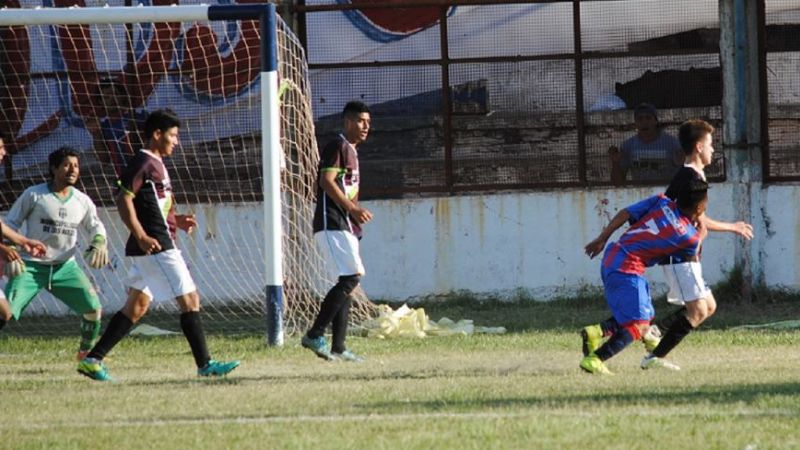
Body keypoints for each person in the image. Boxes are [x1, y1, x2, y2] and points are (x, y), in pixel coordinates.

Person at [77, 109, 239, 382]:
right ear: (157, 134)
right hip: (157, 245)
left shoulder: (157, 164)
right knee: (190, 300)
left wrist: (177, 219)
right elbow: (123, 198)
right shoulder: (143, 162)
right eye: (173, 135)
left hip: (155, 242)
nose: (176, 141)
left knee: (137, 306)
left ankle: (93, 360)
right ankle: (205, 365)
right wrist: (140, 234)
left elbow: (152, 205)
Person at [642, 119, 753, 366]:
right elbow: (701, 222)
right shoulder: (693, 181)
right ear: (698, 147)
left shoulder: (690, 176)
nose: (714, 149)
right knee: (699, 310)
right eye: (711, 144)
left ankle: (655, 331)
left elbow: (691, 219)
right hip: (679, 254)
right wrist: (732, 227)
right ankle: (654, 358)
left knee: (709, 306)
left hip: (682, 253)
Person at [580, 180, 709, 374]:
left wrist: (602, 238)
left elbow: (625, 214)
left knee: (646, 316)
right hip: (627, 267)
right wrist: (701, 237)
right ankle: (596, 359)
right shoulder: (689, 237)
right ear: (700, 207)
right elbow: (691, 260)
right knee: (639, 325)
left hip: (613, 256)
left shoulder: (661, 201)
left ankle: (597, 332)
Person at [3, 147, 108, 360]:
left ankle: (85, 354)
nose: (73, 170)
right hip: (31, 266)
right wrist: (11, 249)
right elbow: (11, 223)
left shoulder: (82, 200)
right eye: (67, 165)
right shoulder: (34, 194)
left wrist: (99, 243)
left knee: (93, 309)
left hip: (64, 267)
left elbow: (96, 227)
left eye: (76, 166)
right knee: (5, 313)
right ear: (54, 168)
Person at [301, 101, 373, 362]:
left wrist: (353, 217)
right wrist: (352, 209)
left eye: (368, 121)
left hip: (345, 225)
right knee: (351, 277)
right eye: (360, 121)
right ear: (347, 122)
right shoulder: (338, 145)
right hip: (332, 221)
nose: (366, 126)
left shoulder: (351, 150)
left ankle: (339, 347)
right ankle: (315, 333)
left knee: (347, 282)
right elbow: (326, 181)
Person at [609, 103, 683, 185]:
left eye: (648, 118)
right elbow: (617, 183)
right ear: (635, 123)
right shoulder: (628, 146)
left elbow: (683, 176)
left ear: (655, 121)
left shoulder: (672, 143)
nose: (644, 122)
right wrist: (615, 163)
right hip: (640, 194)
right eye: (640, 119)